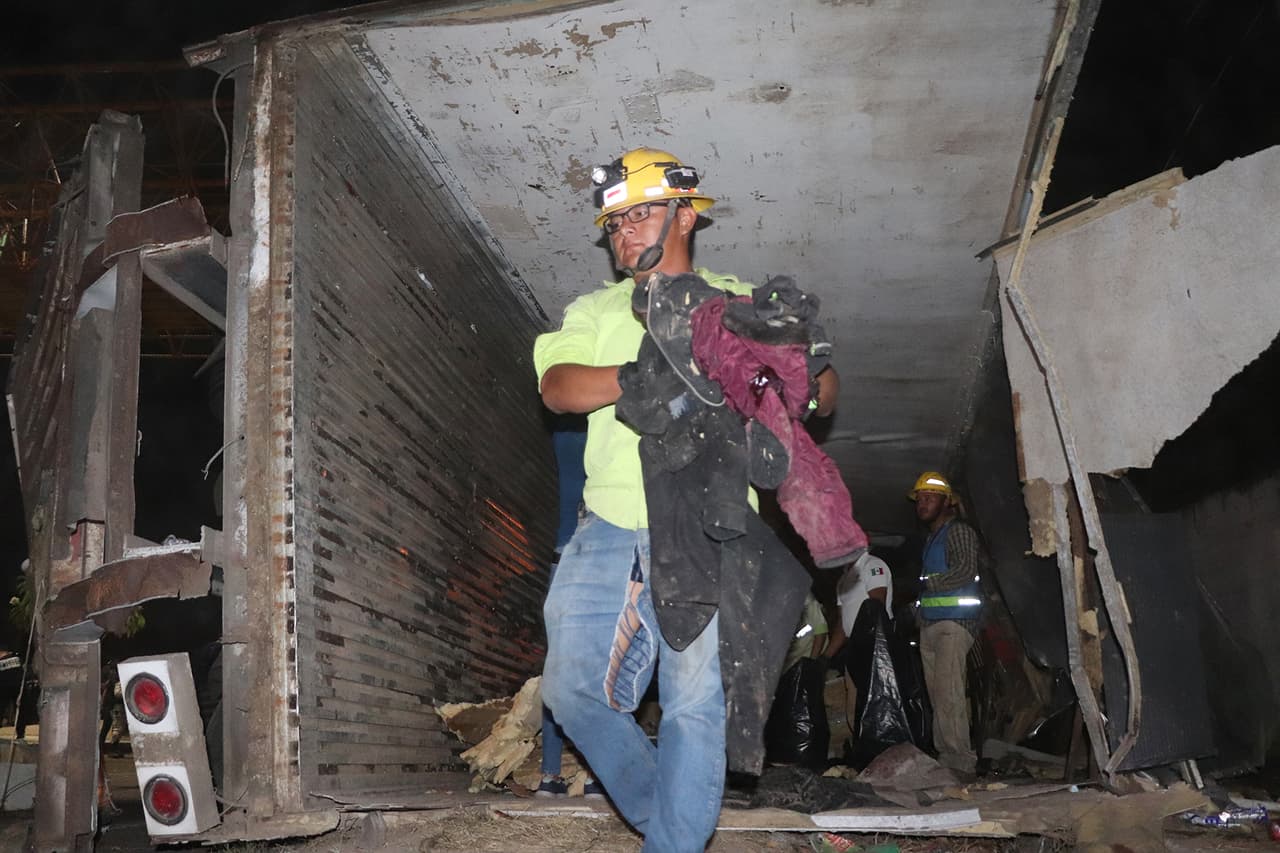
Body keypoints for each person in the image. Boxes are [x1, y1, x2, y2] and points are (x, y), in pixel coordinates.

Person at [534, 147, 838, 852]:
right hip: (610, 517)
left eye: (639, 213)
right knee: (569, 687)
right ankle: (669, 818)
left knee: (694, 699)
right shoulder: (595, 307)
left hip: (711, 519)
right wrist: (643, 367)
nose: (625, 232)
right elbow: (558, 388)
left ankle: (670, 843)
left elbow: (821, 397)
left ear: (685, 214)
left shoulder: (736, 304)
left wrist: (801, 366)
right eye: (614, 224)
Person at [536, 417, 603, 800]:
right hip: (600, 553)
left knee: (557, 665)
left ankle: (549, 777)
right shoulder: (613, 425)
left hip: (562, 557)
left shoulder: (564, 428)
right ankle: (595, 777)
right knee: (601, 666)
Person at [909, 471, 984, 773]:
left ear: (947, 502)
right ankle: (946, 759)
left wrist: (931, 585)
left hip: (954, 625)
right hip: (931, 626)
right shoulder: (932, 539)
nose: (922, 502)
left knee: (950, 694)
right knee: (938, 697)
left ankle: (962, 762)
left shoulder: (959, 531)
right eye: (919, 498)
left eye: (929, 497)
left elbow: (965, 569)